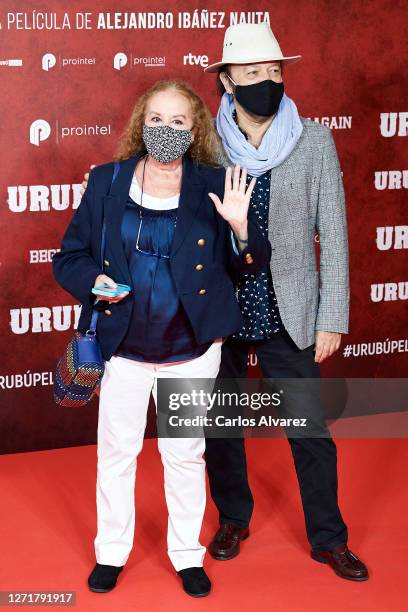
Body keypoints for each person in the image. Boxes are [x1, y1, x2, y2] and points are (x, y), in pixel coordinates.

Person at [80, 23, 368, 582]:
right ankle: (233, 518)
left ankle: (329, 538)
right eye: (254, 73)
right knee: (218, 428)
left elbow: (333, 233)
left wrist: (333, 314)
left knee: (309, 426)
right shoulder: (202, 140)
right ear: (227, 81)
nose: (268, 82)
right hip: (216, 310)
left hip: (289, 305)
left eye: (276, 72)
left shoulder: (314, 141)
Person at [52, 79, 270, 598]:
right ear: (140, 124)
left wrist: (241, 228)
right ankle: (111, 551)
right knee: (117, 453)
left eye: (177, 122)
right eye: (155, 120)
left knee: (184, 454)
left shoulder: (217, 184)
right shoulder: (107, 181)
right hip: (123, 347)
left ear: (193, 128)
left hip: (189, 350)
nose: (165, 130)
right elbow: (69, 257)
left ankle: (186, 554)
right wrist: (93, 283)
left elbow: (252, 263)